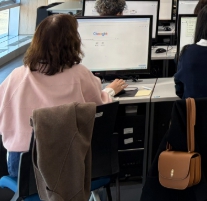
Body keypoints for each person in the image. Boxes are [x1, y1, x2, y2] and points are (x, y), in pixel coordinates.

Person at [0, 14, 125, 178]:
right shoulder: (81, 74)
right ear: (73, 42)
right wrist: (110, 90)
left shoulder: (16, 76)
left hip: (25, 169)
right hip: (71, 166)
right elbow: (99, 107)